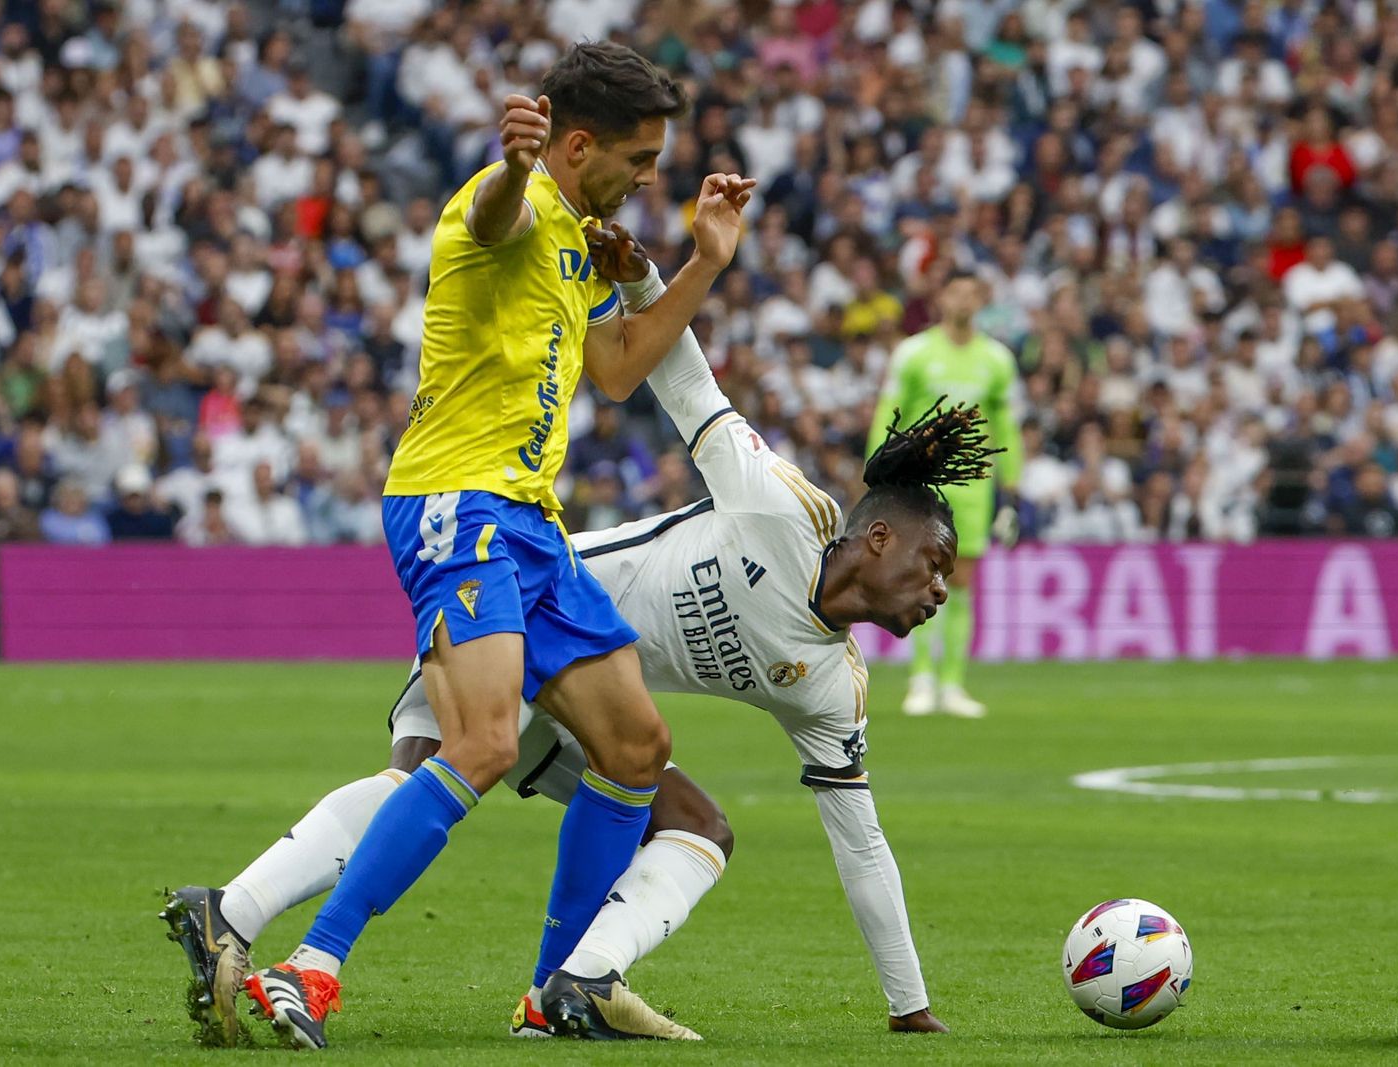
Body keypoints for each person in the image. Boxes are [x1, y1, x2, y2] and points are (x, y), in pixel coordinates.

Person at [161, 225, 993, 1043]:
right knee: (448, 768)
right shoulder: (781, 507)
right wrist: (642, 280)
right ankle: (274, 933)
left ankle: (569, 982)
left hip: (585, 691)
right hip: (520, 598)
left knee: (682, 819)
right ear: (880, 536)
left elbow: (863, 843)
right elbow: (687, 384)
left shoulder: (832, 686)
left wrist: (907, 1001)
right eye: (934, 563)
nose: (939, 588)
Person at [165, 42, 754, 1051]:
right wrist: (518, 165)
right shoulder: (503, 199)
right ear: (578, 144)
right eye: (641, 156)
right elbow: (496, 215)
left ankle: (556, 990)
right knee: (479, 744)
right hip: (455, 501)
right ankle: (310, 965)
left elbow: (617, 368)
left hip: (528, 520)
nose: (652, 175)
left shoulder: (578, 237)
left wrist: (704, 260)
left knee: (633, 747)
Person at [867, 272, 1021, 719]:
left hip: (974, 490)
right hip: (921, 485)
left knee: (962, 584)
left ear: (981, 299)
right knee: (916, 579)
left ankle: (953, 683)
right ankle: (921, 679)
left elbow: (1007, 427)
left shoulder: (996, 360)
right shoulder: (914, 353)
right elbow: (887, 413)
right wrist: (877, 469)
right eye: (956, 290)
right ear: (941, 297)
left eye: (973, 292)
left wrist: (1011, 490)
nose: (964, 299)